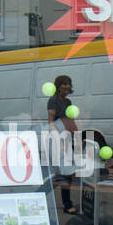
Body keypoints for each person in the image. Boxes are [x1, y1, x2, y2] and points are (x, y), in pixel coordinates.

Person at [46, 74, 78, 212]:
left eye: (69, 84)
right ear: (58, 86)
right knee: (60, 173)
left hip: (67, 137)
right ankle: (65, 203)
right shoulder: (53, 101)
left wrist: (74, 134)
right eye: (64, 84)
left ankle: (66, 203)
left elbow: (69, 120)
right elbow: (51, 122)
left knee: (66, 173)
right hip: (57, 139)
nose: (67, 86)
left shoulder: (68, 102)